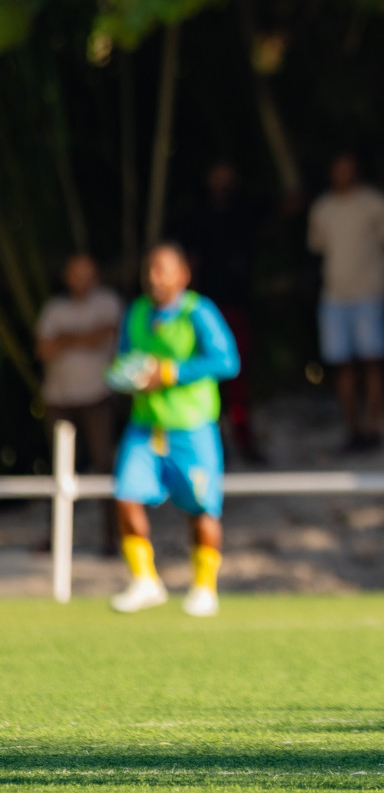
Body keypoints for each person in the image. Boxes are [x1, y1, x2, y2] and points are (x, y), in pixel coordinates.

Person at [108, 243, 240, 616]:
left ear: (183, 275)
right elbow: (123, 358)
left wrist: (170, 373)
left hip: (191, 426)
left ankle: (204, 586)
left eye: (162, 270)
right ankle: (145, 580)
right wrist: (128, 375)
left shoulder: (198, 311)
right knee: (125, 495)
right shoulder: (136, 312)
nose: (154, 278)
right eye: (149, 270)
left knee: (202, 508)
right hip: (145, 425)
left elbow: (227, 361)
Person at [307, 152, 384, 452]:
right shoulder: (322, 208)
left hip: (370, 296)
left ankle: (374, 428)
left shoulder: (375, 203)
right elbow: (317, 248)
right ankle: (353, 429)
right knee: (342, 364)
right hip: (334, 298)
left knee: (372, 362)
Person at [177, 160, 264, 463]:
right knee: (207, 381)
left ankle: (245, 440)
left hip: (239, 306)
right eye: (217, 176)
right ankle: (216, 447)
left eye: (228, 176)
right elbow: (191, 262)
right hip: (204, 309)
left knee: (238, 380)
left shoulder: (247, 212)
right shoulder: (195, 218)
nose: (223, 182)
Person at [35, 254, 122, 552]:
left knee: (103, 466)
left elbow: (104, 336)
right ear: (66, 277)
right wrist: (82, 338)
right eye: (75, 273)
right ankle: (57, 538)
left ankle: (111, 538)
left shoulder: (108, 302)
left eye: (86, 273)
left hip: (97, 397)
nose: (80, 279)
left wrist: (65, 338)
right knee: (59, 470)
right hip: (58, 398)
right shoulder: (54, 307)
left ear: (96, 276)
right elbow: (44, 348)